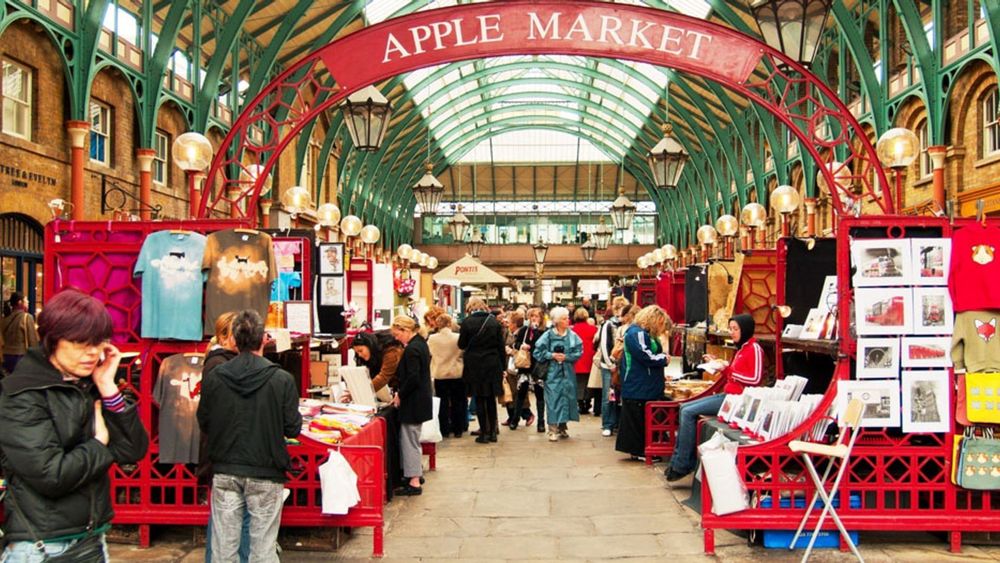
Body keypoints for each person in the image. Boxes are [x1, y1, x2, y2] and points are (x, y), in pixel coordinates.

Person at [0, 288, 149, 562]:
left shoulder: (88, 385)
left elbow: (133, 449)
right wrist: (98, 444)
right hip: (41, 547)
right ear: (53, 340)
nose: (92, 353)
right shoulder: (22, 394)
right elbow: (52, 475)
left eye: (98, 342)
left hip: (91, 537)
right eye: (80, 343)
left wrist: (107, 387)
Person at [197, 309, 302, 562]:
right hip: (266, 469)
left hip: (225, 467)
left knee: (223, 549)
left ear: (234, 338)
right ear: (263, 338)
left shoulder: (216, 376)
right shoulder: (282, 379)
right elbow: (292, 428)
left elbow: (204, 420)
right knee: (263, 549)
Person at [666, 313, 764, 481]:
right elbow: (736, 374)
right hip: (729, 395)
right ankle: (678, 462)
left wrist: (726, 369)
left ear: (745, 329)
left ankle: (682, 464)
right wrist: (718, 364)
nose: (732, 332)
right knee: (684, 408)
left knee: (688, 412)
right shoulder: (742, 349)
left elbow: (755, 379)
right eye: (730, 329)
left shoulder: (754, 349)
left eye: (735, 329)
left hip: (736, 399)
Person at [200, 312, 250, 563]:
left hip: (226, 450)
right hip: (223, 452)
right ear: (223, 336)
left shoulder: (223, 361)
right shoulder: (219, 364)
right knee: (224, 519)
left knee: (227, 518)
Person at [615, 305, 672, 460]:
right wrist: (664, 359)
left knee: (641, 420)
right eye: (660, 323)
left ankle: (640, 449)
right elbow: (645, 356)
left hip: (644, 386)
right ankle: (640, 451)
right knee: (638, 421)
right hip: (639, 386)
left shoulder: (643, 333)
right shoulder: (637, 333)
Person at [390, 316, 433, 496]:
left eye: (397, 334)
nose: (396, 338)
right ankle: (415, 474)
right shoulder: (420, 344)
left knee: (409, 441)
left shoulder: (412, 349)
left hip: (413, 401)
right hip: (420, 399)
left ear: (405, 330)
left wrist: (400, 394)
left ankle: (414, 481)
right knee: (412, 439)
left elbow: (413, 377)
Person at [458, 297, 505, 443]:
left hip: (474, 364)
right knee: (491, 398)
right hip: (492, 363)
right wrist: (503, 367)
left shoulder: (467, 322)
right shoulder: (494, 322)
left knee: (479, 397)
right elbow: (501, 346)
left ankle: (484, 433)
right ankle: (493, 432)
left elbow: (461, 344)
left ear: (470, 308)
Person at [533, 306, 583, 442]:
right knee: (553, 399)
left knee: (567, 397)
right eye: (564, 319)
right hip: (552, 372)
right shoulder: (548, 335)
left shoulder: (572, 335)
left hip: (568, 372)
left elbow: (579, 351)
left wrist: (567, 357)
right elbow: (537, 352)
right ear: (557, 321)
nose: (568, 320)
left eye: (567, 318)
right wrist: (552, 355)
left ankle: (562, 426)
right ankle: (552, 429)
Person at [427, 314, 465, 437]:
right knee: (457, 402)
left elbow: (429, 353)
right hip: (456, 373)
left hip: (440, 374)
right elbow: (463, 351)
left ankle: (444, 429)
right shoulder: (457, 337)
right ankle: (458, 429)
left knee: (442, 403)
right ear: (449, 323)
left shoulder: (432, 338)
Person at [597, 297, 628, 437]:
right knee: (608, 395)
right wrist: (610, 364)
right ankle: (607, 424)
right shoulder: (608, 325)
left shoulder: (626, 325)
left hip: (622, 365)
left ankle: (617, 423)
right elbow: (603, 345)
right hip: (609, 366)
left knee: (619, 395)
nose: (620, 310)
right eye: (618, 307)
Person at [512, 307, 544, 432]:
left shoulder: (543, 331)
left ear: (541, 318)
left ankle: (541, 422)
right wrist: (521, 346)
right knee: (521, 393)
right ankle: (515, 419)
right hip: (525, 366)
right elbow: (515, 344)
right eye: (532, 316)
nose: (534, 318)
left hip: (537, 366)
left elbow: (541, 345)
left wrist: (535, 331)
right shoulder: (524, 330)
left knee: (539, 394)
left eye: (536, 316)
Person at [2, 292, 39, 374]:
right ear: (20, 302)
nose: (28, 302)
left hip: (6, 356)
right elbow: (32, 340)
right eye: (26, 300)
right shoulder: (27, 317)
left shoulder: (5, 319)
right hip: (21, 356)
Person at [570, 307, 598, 415]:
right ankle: (588, 402)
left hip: (577, 359)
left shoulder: (572, 330)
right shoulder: (593, 329)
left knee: (578, 383)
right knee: (588, 382)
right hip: (589, 359)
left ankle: (580, 403)